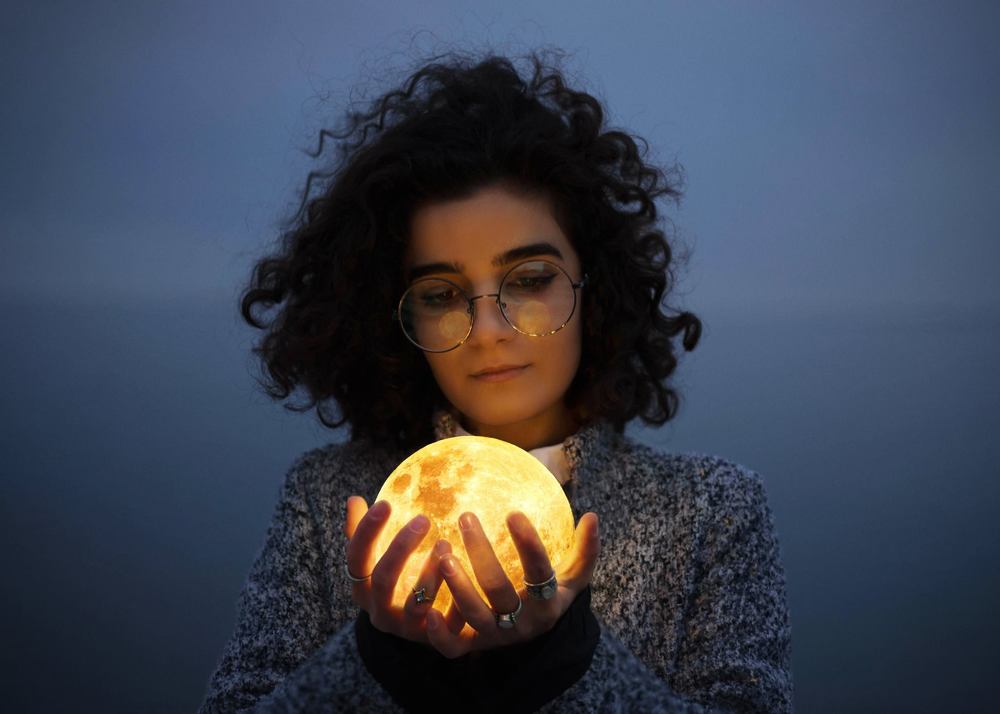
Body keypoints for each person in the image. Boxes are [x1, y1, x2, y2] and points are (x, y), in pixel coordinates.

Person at [198, 49, 793, 713]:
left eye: (530, 280)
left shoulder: (708, 510)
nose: (486, 328)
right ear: (395, 316)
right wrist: (378, 657)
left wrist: (562, 659)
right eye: (439, 293)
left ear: (593, 289)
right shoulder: (328, 502)